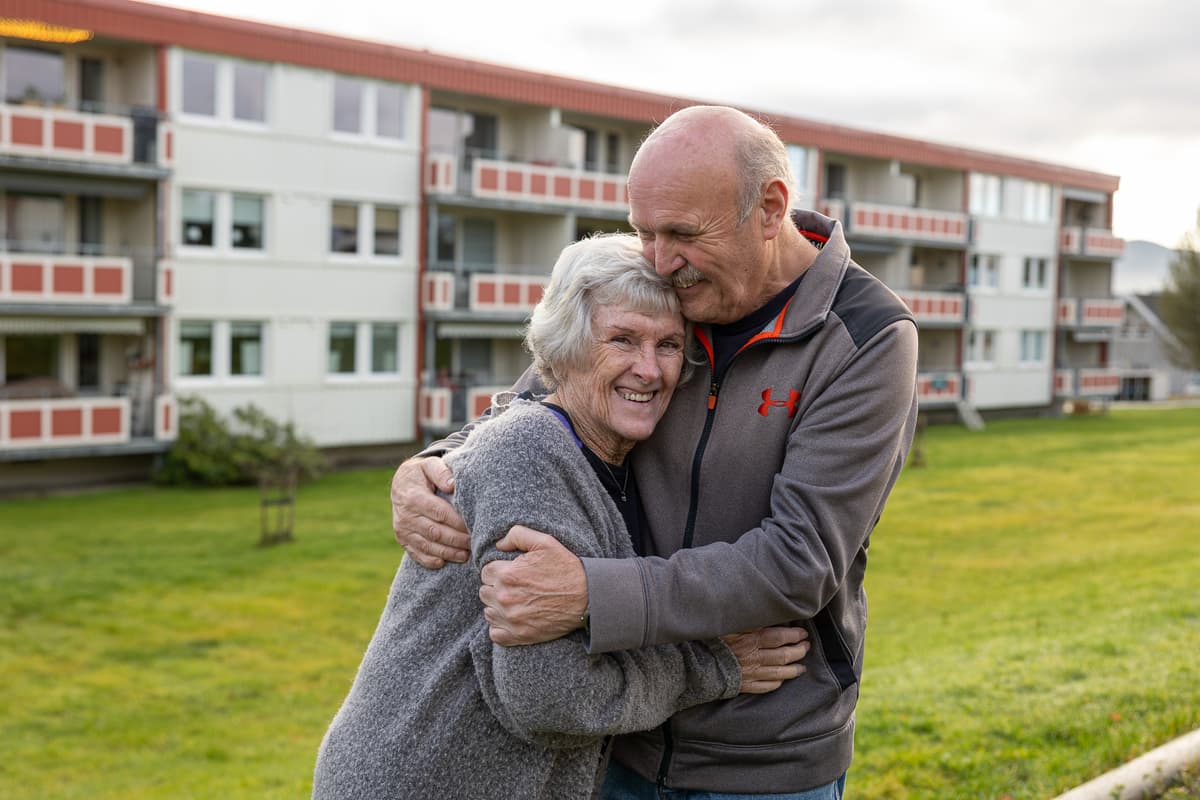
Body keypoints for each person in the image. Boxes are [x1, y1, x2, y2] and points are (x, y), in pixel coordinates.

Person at [391, 105, 919, 798]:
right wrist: (428, 467)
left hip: (766, 760)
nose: (660, 261)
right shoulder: (665, 296)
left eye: (681, 234)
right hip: (618, 741)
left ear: (770, 208)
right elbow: (534, 401)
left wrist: (589, 596)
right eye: (645, 232)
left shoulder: (867, 340)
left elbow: (799, 562)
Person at [314, 233, 809, 800]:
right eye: (622, 340)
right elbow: (548, 698)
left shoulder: (603, 453)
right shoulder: (529, 454)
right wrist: (715, 666)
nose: (649, 370)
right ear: (566, 349)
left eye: (668, 345)